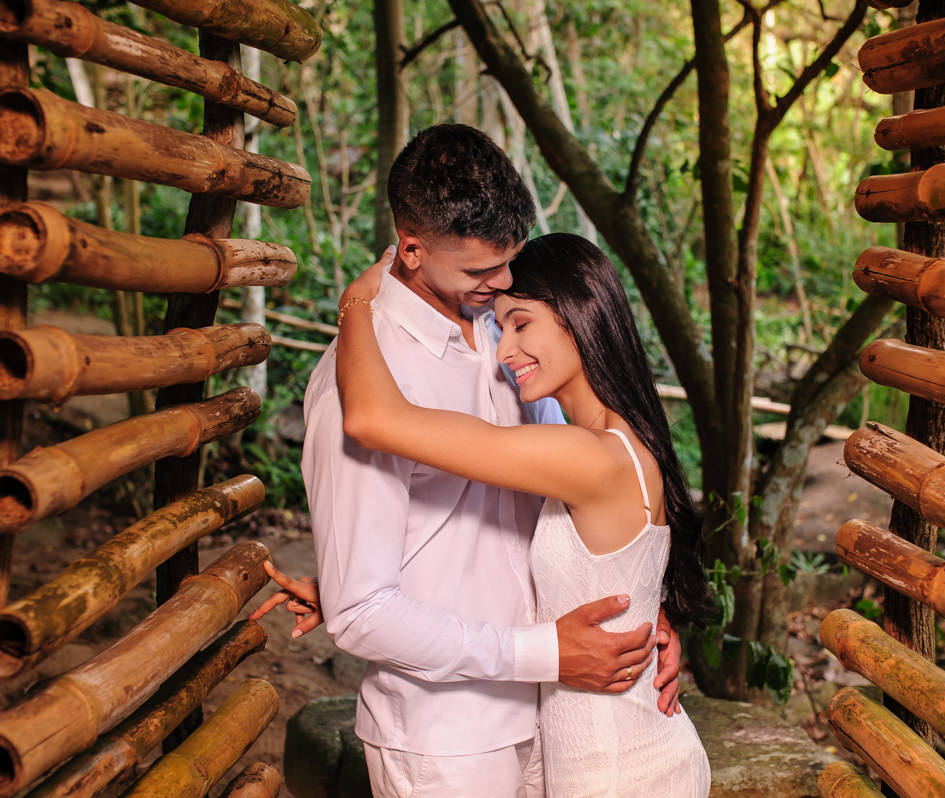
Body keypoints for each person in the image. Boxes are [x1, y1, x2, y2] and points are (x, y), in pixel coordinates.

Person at [255, 125, 684, 798]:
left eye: (509, 261)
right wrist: (546, 652)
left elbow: (566, 509)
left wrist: (639, 617)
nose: (503, 281)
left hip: (562, 714)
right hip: (448, 743)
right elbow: (362, 610)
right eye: (482, 271)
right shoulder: (363, 375)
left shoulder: (509, 332)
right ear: (412, 250)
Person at [327, 231, 713, 797]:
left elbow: (371, 419)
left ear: (579, 315)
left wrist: (356, 302)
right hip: (600, 756)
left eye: (521, 323)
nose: (505, 351)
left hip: (621, 769)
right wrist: (349, 579)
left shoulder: (590, 456)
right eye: (500, 327)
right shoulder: (600, 442)